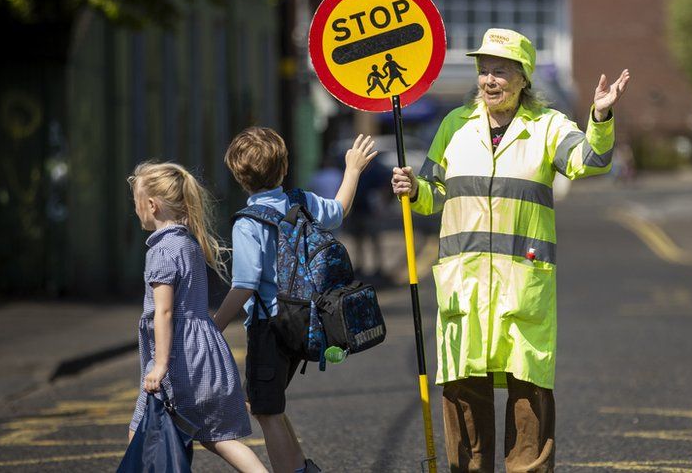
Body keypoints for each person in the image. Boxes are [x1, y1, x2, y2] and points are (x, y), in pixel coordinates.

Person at [391, 28, 630, 472]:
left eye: (500, 70)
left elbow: (591, 162)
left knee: (528, 398)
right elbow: (433, 195)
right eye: (484, 70)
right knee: (463, 395)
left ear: (523, 78)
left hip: (521, 290)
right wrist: (413, 188)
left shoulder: (548, 127)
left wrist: (600, 115)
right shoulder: (454, 126)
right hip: (463, 288)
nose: (489, 80)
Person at [213, 128, 378, 473]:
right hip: (307, 318)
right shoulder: (301, 201)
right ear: (284, 168)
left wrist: (214, 327)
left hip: (269, 324)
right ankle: (300, 467)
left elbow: (244, 284)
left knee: (266, 410)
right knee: (266, 405)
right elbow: (339, 210)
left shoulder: (248, 223)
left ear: (239, 177)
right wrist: (353, 169)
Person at [127, 161, 267, 473]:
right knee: (218, 438)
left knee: (141, 432)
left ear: (152, 205)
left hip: (179, 362)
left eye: (136, 203)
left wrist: (160, 365)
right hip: (207, 356)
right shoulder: (189, 243)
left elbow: (164, 311)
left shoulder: (160, 251)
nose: (136, 210)